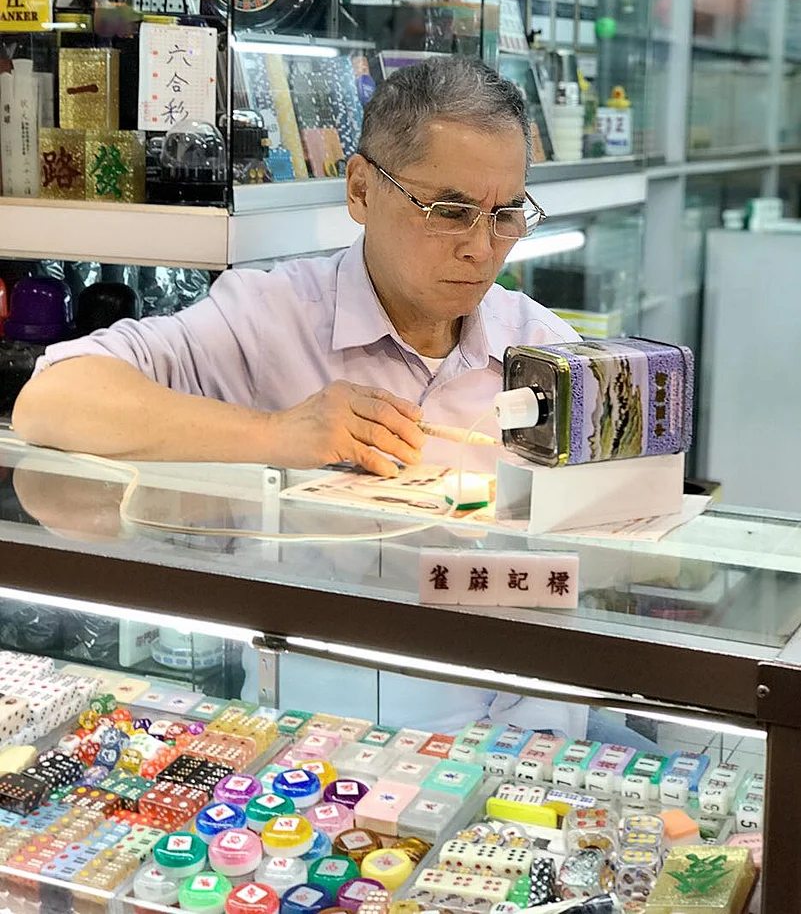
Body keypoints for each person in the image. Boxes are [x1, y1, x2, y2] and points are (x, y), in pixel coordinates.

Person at [11, 57, 658, 749]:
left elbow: (609, 566)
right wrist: (276, 435)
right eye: (449, 211)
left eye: (505, 216)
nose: (480, 248)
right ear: (359, 189)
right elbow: (54, 399)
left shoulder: (544, 350)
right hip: (313, 739)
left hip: (524, 736)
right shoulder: (270, 319)